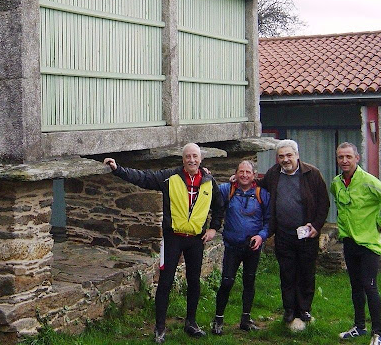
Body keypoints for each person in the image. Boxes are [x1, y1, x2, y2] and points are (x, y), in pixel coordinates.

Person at [104, 143, 224, 344]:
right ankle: (160, 328)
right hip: (173, 238)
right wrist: (118, 170)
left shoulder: (209, 182)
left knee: (194, 282)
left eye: (195, 156)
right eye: (188, 157)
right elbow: (144, 178)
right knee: (165, 282)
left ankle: (191, 323)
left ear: (201, 159)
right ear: (183, 159)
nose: (192, 160)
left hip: (196, 240)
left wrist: (214, 228)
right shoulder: (170, 177)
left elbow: (219, 206)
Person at [331, 142, 381, 345]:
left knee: (369, 287)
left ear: (357, 158)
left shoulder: (367, 181)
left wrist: (380, 222)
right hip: (349, 242)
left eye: (348, 156)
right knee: (355, 287)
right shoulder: (336, 183)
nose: (344, 161)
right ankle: (359, 327)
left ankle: (378, 334)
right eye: (340, 157)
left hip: (368, 244)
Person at [258, 139, 330, 325]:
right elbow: (260, 185)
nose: (285, 159)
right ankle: (289, 310)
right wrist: (239, 178)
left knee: (306, 273)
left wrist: (316, 225)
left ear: (297, 155)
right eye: (281, 156)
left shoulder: (312, 174)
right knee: (287, 274)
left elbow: (324, 203)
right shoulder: (273, 174)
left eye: (289, 155)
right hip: (283, 234)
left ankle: (304, 309)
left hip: (307, 235)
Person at [211, 160, 270, 335]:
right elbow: (209, 190)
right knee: (227, 281)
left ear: (254, 175)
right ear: (236, 174)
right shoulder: (227, 190)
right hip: (232, 245)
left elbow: (268, 220)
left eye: (248, 172)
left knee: (249, 281)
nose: (244, 175)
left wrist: (262, 235)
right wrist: (205, 172)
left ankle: (246, 319)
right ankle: (218, 319)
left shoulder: (262, 194)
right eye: (241, 172)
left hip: (252, 245)